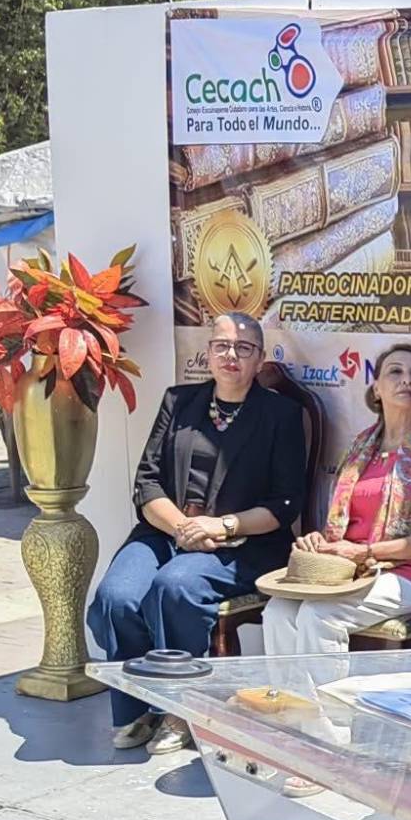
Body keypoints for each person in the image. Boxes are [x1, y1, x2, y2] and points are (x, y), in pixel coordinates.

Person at [88, 313, 306, 753]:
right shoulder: (179, 401)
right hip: (165, 531)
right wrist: (183, 527)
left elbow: (286, 504)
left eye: (244, 349)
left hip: (245, 543)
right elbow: (146, 483)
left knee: (176, 585)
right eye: (222, 346)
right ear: (207, 353)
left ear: (259, 358)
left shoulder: (280, 415)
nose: (232, 356)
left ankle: (183, 709)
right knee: (117, 596)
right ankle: (137, 708)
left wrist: (221, 525)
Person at [261, 342, 411, 655]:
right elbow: (344, 524)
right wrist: (322, 543)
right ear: (376, 390)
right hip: (354, 568)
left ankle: (328, 704)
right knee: (278, 610)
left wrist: (367, 552)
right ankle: (290, 702)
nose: (406, 380)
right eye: (395, 372)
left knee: (321, 616)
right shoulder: (361, 446)